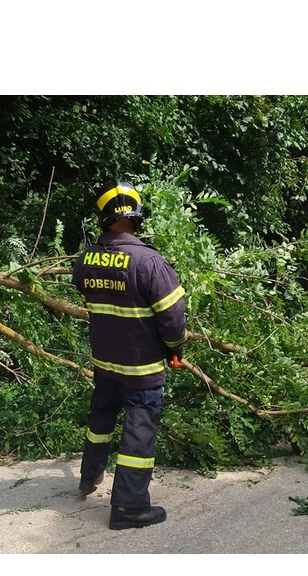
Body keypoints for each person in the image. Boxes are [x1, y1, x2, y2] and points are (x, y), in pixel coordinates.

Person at [71, 179, 187, 529]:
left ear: (103, 217)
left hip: (105, 361)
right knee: (138, 433)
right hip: (141, 367)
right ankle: (128, 508)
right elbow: (172, 317)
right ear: (136, 217)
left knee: (101, 421)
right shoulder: (148, 261)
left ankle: (89, 478)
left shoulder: (85, 259)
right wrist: (175, 349)